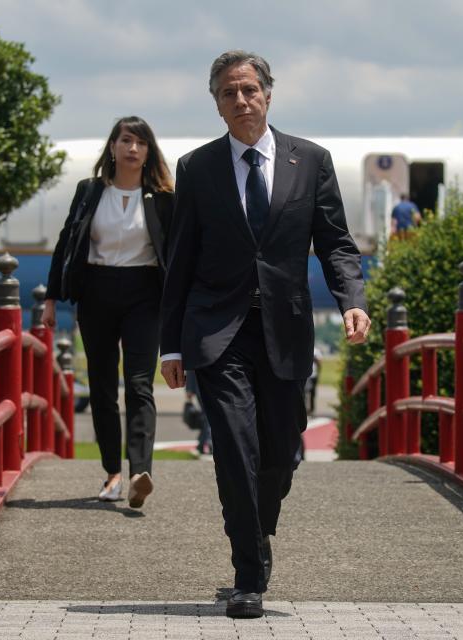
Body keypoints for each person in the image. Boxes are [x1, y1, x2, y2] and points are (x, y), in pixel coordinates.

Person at [160, 50, 370, 618]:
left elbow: (335, 242)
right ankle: (248, 574)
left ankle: (259, 532)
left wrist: (352, 299)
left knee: (280, 452)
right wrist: (172, 343)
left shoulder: (312, 160)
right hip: (216, 330)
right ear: (217, 104)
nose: (241, 101)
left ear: (268, 95)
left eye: (249, 90)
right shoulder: (197, 167)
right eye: (228, 93)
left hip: (285, 327)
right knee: (234, 448)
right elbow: (179, 259)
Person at [44, 116, 174, 509]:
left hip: (143, 295)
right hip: (97, 294)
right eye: (126, 140)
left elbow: (179, 254)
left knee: (138, 384)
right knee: (101, 387)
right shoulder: (89, 191)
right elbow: (66, 243)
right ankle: (112, 472)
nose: (133, 149)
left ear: (149, 151)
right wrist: (51, 298)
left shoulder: (164, 199)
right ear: (113, 147)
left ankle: (139, 473)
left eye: (141, 142)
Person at [184, 371, 212, 455]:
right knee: (209, 417)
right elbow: (191, 369)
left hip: (205, 387)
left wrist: (189, 389)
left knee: (207, 417)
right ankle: (209, 442)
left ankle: (202, 443)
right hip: (203, 388)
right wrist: (189, 389)